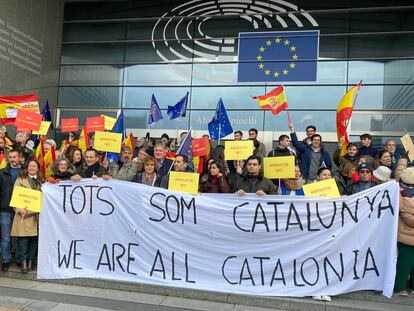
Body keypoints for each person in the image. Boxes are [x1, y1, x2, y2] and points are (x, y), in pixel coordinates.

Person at [10, 159, 44, 273]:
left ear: (38, 168)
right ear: (27, 167)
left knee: (34, 239)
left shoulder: (41, 180)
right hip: (23, 215)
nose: (32, 168)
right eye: (30, 166)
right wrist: (19, 210)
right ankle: (23, 262)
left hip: (36, 214)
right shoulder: (20, 179)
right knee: (23, 240)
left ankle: (31, 261)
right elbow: (15, 196)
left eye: (34, 166)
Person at [0, 149, 24, 271]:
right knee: (5, 237)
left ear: (20, 157)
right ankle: (6, 260)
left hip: (21, 209)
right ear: (8, 158)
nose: (13, 159)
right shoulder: (2, 172)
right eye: (10, 157)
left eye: (15, 157)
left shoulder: (25, 171)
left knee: (19, 236)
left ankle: (20, 259)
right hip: (5, 208)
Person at [394, 167, 414, 296]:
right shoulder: (400, 194)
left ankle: (412, 286)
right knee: (405, 264)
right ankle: (399, 286)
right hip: (405, 236)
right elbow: (408, 217)